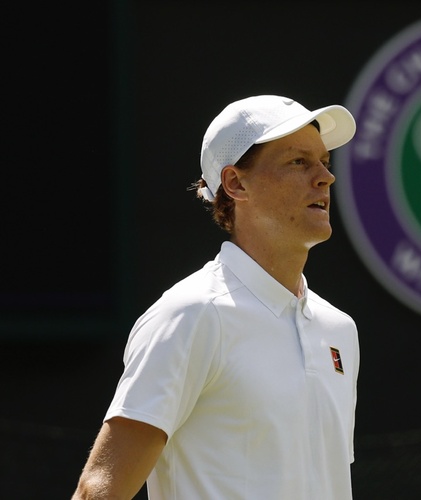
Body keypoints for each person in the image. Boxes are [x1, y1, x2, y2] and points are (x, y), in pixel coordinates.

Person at [72, 95, 360, 499]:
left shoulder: (339, 330)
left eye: (324, 162)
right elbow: (99, 491)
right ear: (235, 183)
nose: (325, 177)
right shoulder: (190, 315)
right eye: (298, 162)